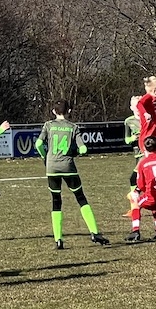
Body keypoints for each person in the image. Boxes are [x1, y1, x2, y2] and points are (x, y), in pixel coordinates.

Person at [36, 100, 110, 249]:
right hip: (68, 166)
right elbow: (83, 149)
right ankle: (94, 232)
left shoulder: (48, 125)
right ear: (69, 111)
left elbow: (38, 144)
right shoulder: (73, 127)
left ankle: (58, 239)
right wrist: (77, 152)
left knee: (56, 201)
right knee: (81, 198)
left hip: (51, 167)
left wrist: (45, 157)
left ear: (53, 111)